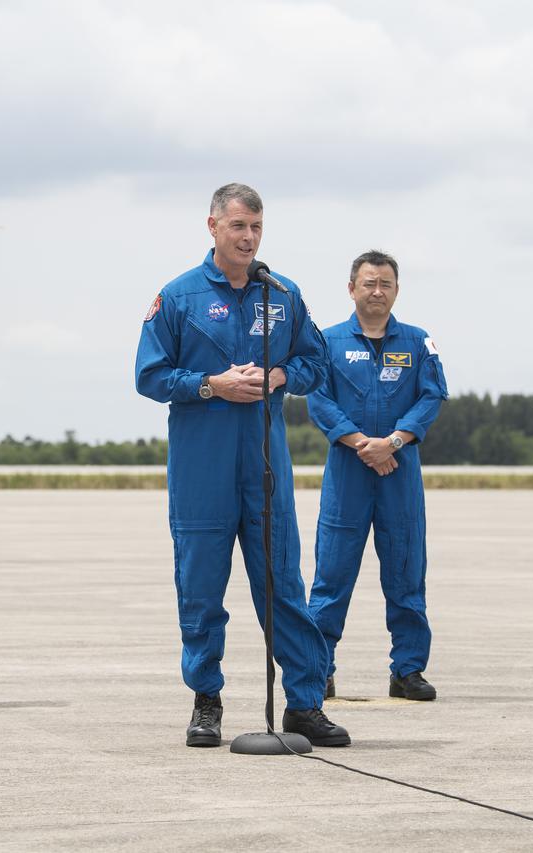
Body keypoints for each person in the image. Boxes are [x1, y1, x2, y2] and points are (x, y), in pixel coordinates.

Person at [135, 183, 349, 747]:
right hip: (200, 471)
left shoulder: (282, 295)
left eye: (256, 227)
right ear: (212, 227)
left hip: (265, 468)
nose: (248, 237)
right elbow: (149, 376)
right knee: (201, 590)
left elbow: (314, 363)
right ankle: (207, 702)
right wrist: (212, 385)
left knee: (282, 587)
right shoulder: (177, 297)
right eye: (237, 226)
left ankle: (303, 704)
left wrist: (279, 377)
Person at [306, 250, 448, 701]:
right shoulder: (325, 343)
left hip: (399, 472)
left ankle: (407, 671)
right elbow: (318, 399)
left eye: (385, 283)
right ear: (351, 289)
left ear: (397, 290)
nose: (377, 291)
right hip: (347, 473)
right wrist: (362, 445)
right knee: (331, 576)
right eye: (368, 283)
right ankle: (318, 669)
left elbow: (431, 397)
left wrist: (394, 443)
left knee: (406, 571)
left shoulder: (418, 341)